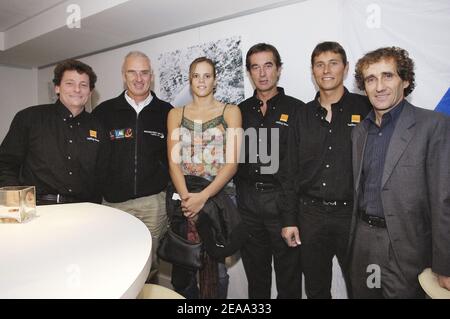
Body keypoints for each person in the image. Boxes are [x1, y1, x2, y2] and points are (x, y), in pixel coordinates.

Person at [349, 46, 450, 298]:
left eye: (388, 76)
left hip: (407, 249)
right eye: (371, 79)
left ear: (405, 80)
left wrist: (445, 264)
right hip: (362, 243)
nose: (379, 86)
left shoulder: (433, 126)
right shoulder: (359, 132)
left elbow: (443, 199)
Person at [281, 42, 371, 298]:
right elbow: (290, 171)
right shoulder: (301, 114)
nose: (326, 70)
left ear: (345, 67)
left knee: (361, 287)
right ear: (313, 71)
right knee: (316, 288)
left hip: (352, 215)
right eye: (320, 64)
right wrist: (289, 220)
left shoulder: (365, 109)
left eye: (333, 63)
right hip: (310, 215)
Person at [92, 51, 173, 278]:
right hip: (115, 205)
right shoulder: (103, 112)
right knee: (115, 263)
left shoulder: (167, 112)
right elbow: (94, 158)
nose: (139, 78)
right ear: (123, 75)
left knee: (150, 266)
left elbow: (175, 158)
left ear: (151, 76)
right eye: (132, 72)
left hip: (153, 205)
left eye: (144, 72)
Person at [166, 57, 242, 298]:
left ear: (215, 80)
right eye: (196, 76)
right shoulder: (176, 114)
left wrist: (203, 198)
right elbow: (173, 161)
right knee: (185, 266)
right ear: (190, 80)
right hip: (183, 198)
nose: (201, 80)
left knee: (217, 270)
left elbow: (232, 164)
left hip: (218, 199)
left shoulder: (230, 112)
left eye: (207, 75)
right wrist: (189, 200)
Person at [236, 43, 303, 299]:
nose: (262, 73)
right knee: (256, 278)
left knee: (289, 279)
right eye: (255, 67)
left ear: (279, 69)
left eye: (268, 66)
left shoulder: (298, 110)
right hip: (248, 205)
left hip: (282, 204)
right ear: (249, 72)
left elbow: (299, 169)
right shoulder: (238, 112)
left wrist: (291, 217)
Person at [0, 59, 109, 205]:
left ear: (90, 92)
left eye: (83, 85)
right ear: (57, 87)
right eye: (69, 83)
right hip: (37, 208)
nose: (77, 89)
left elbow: (101, 176)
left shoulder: (98, 127)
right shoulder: (29, 118)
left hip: (82, 210)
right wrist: (15, 201)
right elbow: (6, 163)